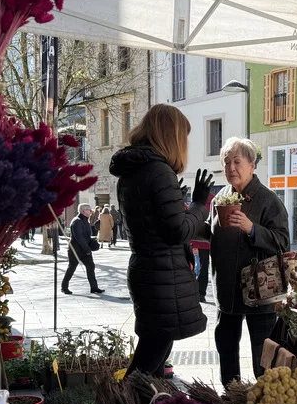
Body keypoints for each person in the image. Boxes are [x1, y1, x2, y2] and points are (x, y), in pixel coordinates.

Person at [109, 104, 215, 377]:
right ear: (172, 136)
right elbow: (177, 231)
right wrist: (199, 204)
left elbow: (153, 223)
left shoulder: (133, 171)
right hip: (161, 275)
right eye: (184, 138)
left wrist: (175, 199)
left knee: (154, 361)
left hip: (148, 271)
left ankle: (149, 403)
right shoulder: (159, 170)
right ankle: (121, 402)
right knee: (145, 366)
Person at [207, 137, 289, 385]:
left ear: (252, 165)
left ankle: (265, 398)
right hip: (227, 290)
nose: (231, 168)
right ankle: (231, 394)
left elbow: (283, 242)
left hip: (259, 291)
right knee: (226, 346)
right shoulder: (221, 197)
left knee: (263, 357)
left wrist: (252, 229)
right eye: (226, 162)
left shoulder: (268, 200)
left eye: (237, 162)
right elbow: (209, 233)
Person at [61, 204, 104, 295]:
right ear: (83, 211)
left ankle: (94, 287)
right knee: (72, 268)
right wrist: (87, 249)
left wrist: (93, 243)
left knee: (91, 266)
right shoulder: (77, 221)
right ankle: (64, 287)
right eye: (89, 209)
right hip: (75, 249)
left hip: (85, 249)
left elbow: (86, 236)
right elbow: (79, 237)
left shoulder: (85, 221)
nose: (91, 211)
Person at [190, 190, 216, 302]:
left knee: (197, 268)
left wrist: (193, 244)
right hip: (208, 242)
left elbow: (194, 222)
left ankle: (197, 293)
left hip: (198, 242)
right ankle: (202, 293)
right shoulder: (214, 200)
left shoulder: (198, 201)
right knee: (205, 268)